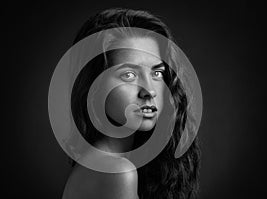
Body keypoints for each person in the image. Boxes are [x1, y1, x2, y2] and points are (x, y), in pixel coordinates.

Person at [62, 8, 201, 199]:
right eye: (129, 75)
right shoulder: (117, 171)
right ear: (93, 85)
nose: (149, 91)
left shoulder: (105, 162)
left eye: (157, 73)